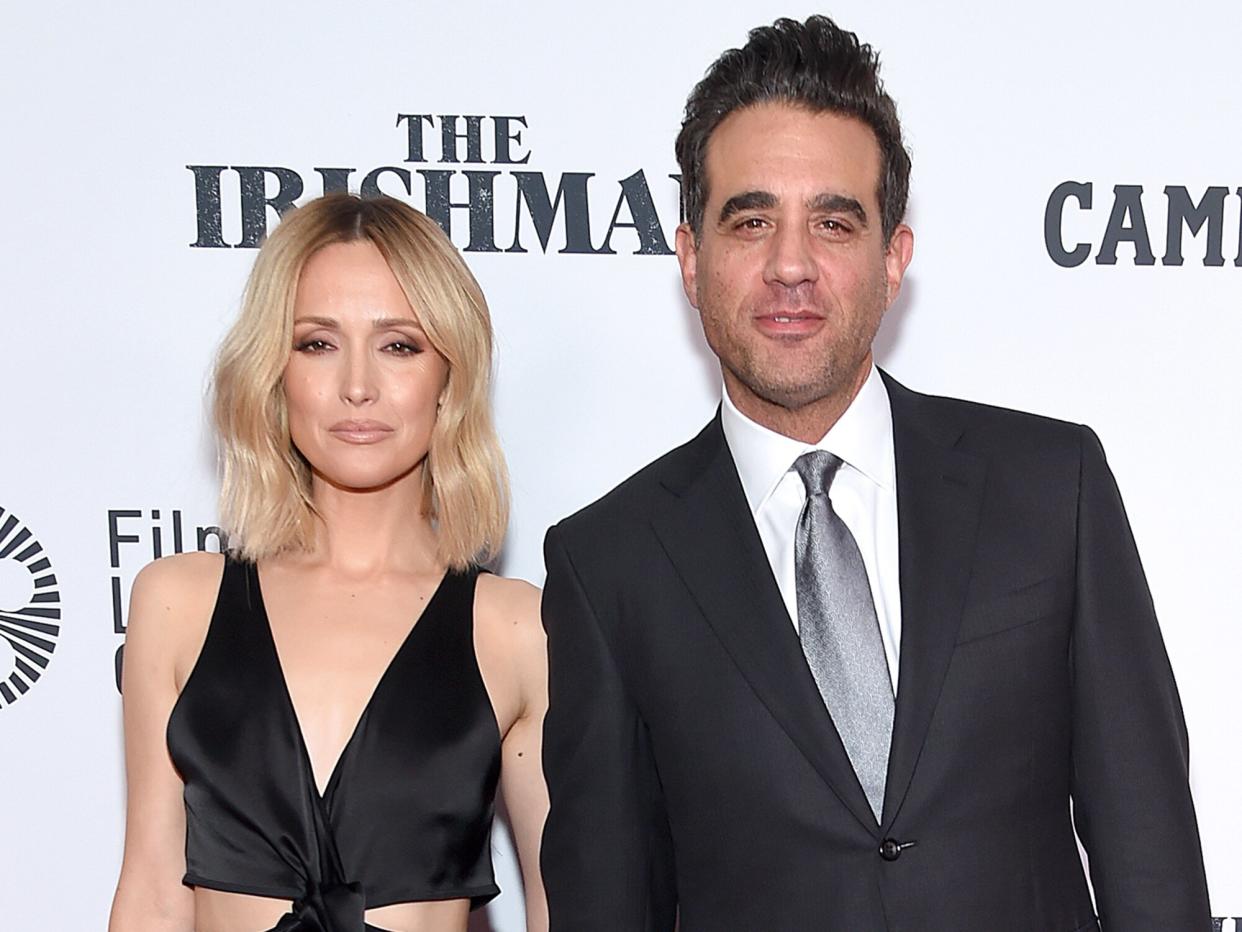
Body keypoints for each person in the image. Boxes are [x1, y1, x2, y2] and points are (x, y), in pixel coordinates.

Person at [539, 15, 1211, 932]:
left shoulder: (1054, 488)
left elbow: (1152, 860)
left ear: (893, 258)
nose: (790, 267)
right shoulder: (607, 564)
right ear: (690, 262)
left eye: (832, 221)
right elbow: (610, 906)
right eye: (750, 221)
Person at [110, 194, 549, 932]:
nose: (356, 386)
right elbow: (152, 891)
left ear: (450, 376)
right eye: (317, 343)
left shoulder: (516, 629)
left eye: (399, 345)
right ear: (272, 371)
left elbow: (563, 903)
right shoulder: (177, 604)